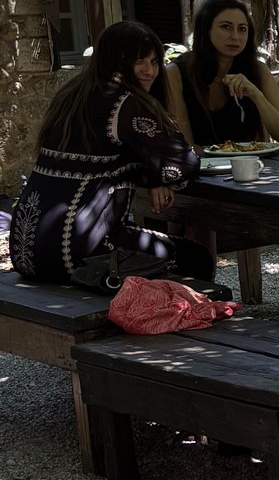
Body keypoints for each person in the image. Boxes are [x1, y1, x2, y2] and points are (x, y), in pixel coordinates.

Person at [10, 20, 214, 284]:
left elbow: (107, 156)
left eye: (154, 61)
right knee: (195, 257)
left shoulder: (71, 94)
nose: (149, 71)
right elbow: (183, 163)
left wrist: (152, 175)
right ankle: (177, 323)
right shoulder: (126, 103)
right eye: (139, 60)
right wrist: (155, 176)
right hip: (79, 256)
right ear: (115, 59)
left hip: (26, 251)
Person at [159, 0, 279, 150]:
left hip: (251, 168)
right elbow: (185, 147)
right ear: (206, 29)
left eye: (242, 29)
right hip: (202, 171)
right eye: (226, 27)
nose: (235, 36)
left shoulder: (258, 71)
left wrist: (256, 95)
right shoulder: (175, 73)